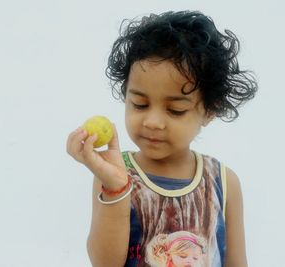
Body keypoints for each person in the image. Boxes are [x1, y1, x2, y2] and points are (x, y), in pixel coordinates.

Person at [66, 10, 257, 267]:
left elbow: (237, 262)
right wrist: (116, 188)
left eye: (175, 110)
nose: (153, 122)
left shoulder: (223, 182)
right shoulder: (114, 173)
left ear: (210, 110)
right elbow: (104, 262)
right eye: (140, 104)